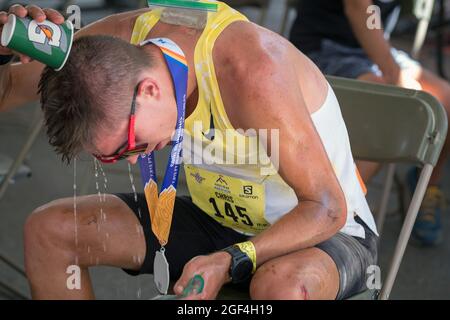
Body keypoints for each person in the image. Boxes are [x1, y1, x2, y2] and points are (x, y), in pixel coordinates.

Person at [0, 1, 377, 300]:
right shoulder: (111, 48)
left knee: (279, 288)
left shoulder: (251, 70)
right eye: (110, 156)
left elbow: (327, 206)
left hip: (319, 231)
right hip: (214, 219)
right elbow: (7, 92)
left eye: (129, 146)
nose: (132, 159)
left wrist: (231, 261)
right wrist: (3, 50)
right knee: (50, 231)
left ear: (148, 90)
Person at [289, 0, 450, 247]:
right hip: (324, 47)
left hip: (372, 49)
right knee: (389, 110)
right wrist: (396, 78)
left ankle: (425, 186)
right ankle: (340, 209)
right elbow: (358, 8)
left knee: (444, 105)